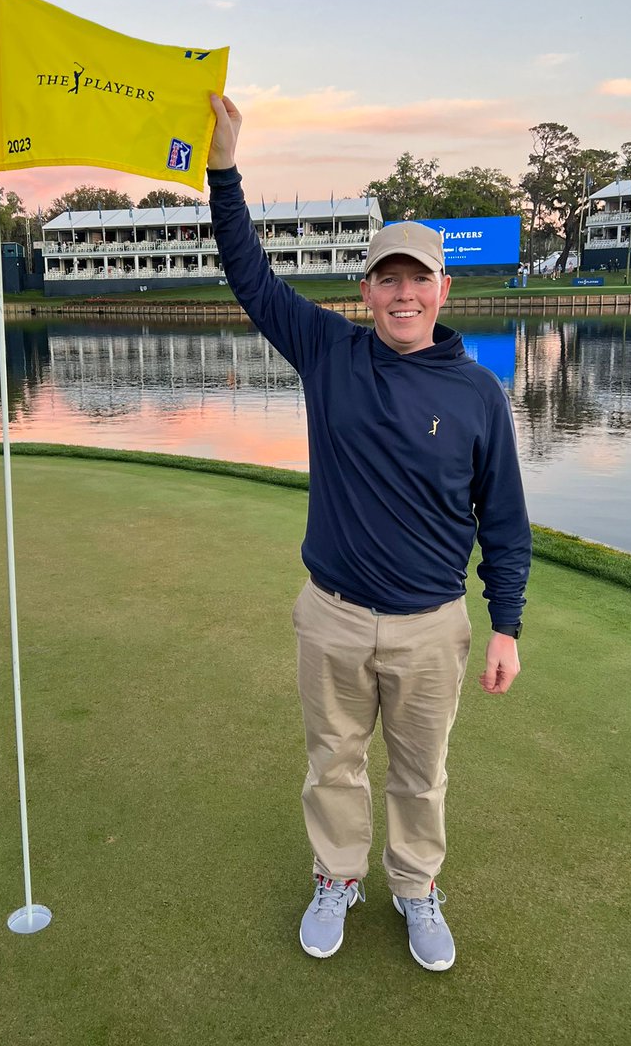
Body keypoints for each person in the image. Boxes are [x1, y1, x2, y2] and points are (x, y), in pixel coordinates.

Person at [207, 94, 531, 972]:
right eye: (387, 277)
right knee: (334, 764)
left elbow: (502, 520)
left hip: (433, 625)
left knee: (420, 774)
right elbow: (250, 276)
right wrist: (224, 170)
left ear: (442, 290)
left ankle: (417, 887)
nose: (402, 292)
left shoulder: (477, 395)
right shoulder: (328, 353)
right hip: (334, 614)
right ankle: (338, 876)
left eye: (417, 278)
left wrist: (506, 624)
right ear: (366, 288)